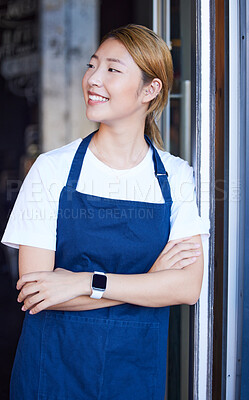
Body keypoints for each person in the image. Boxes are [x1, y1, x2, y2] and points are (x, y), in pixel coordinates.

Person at [1, 24, 209, 400]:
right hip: (52, 374)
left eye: (112, 69)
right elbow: (36, 291)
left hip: (134, 376)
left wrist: (84, 282)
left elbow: (187, 287)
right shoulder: (51, 170)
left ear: (150, 89)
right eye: (91, 65)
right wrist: (148, 281)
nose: (93, 79)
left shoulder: (176, 176)